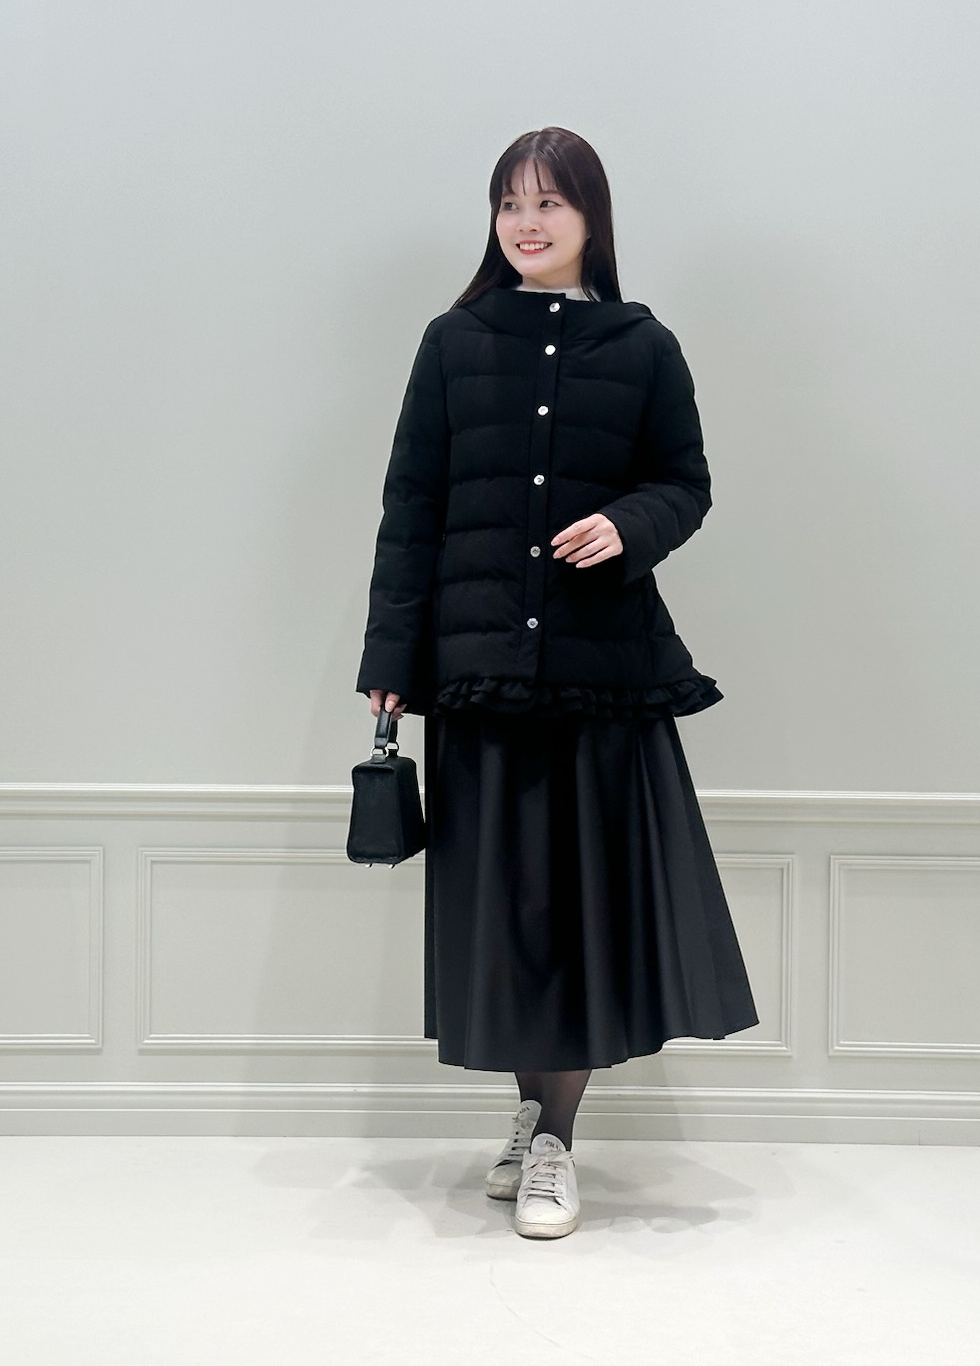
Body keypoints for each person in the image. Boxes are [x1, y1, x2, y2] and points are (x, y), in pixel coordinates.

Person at [355, 127, 758, 1240]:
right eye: (509, 204)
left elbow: (685, 481)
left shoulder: (642, 345)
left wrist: (627, 526)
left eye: (549, 203)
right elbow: (411, 508)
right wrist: (391, 662)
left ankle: (553, 1144)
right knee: (510, 914)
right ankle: (534, 1117)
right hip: (480, 676)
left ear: (591, 217)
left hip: (598, 674)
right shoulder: (454, 342)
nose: (527, 224)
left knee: (577, 914)